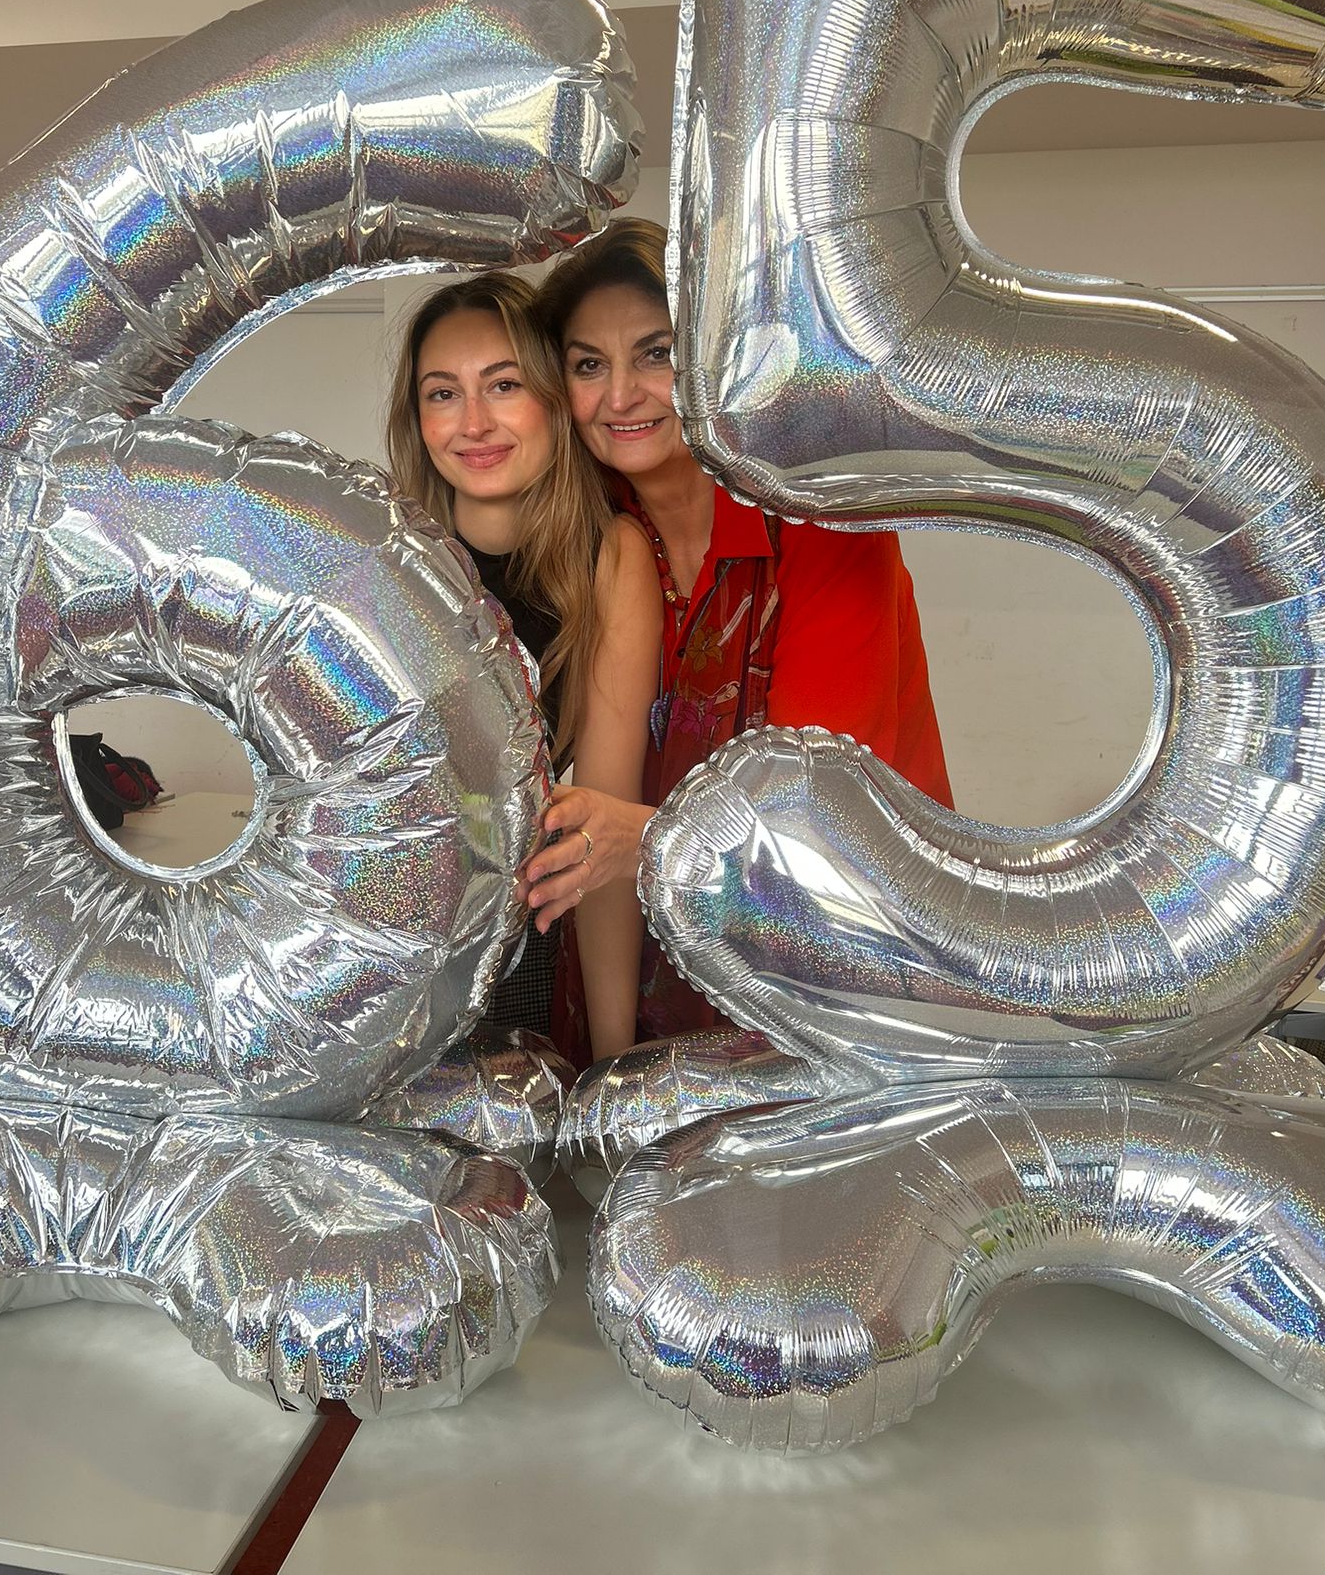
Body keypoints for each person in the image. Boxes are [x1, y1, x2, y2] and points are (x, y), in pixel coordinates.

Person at [518, 219, 953, 1068]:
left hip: (841, 980)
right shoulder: (593, 535)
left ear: (716, 357)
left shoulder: (823, 520)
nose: (621, 396)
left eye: (656, 355)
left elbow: (819, 829)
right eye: (588, 365)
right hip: (636, 973)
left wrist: (644, 839)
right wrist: (612, 1067)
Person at [386, 272, 659, 1054]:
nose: (473, 422)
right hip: (376, 938)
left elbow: (595, 841)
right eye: (443, 393)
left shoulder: (612, 559)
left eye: (503, 385)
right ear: (417, 418)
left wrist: (610, 1063)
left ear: (552, 398)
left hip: (520, 937)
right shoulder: (387, 555)